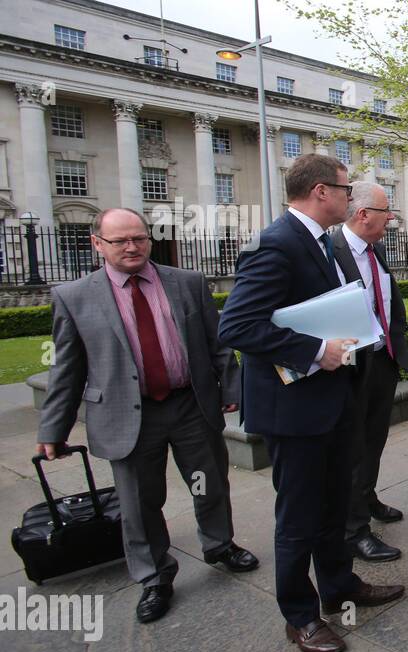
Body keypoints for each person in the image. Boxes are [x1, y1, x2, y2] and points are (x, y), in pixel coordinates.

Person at [219, 154, 404, 652]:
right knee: (299, 517)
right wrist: (316, 351)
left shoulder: (322, 243)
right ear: (322, 192)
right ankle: (300, 617)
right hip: (294, 410)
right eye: (346, 189)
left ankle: (340, 586)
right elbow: (236, 327)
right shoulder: (276, 244)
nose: (350, 197)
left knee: (333, 506)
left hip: (332, 400)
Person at [37, 208, 258, 624]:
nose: (132, 247)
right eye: (120, 240)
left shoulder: (187, 283)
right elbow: (66, 369)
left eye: (138, 237)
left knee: (208, 483)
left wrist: (231, 389)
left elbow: (218, 343)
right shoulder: (75, 296)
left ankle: (219, 545)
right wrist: (53, 427)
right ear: (97, 244)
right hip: (128, 415)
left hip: (190, 405)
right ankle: (155, 577)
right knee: (139, 503)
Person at [332, 182, 407, 563]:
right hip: (349, 370)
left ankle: (367, 497)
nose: (390, 217)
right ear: (362, 215)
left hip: (382, 362)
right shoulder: (330, 252)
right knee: (352, 448)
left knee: (374, 440)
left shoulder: (375, 252)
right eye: (384, 211)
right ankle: (354, 529)